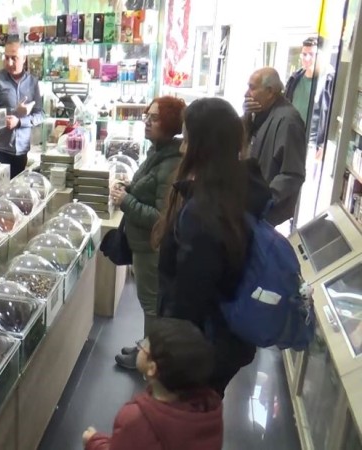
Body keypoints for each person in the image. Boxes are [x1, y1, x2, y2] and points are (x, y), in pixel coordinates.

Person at [154, 97, 273, 397]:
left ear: (202, 147)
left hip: (199, 348)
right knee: (205, 412)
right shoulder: (241, 190)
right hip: (228, 338)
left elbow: (190, 296)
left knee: (183, 417)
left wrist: (167, 354)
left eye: (187, 139)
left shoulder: (203, 213)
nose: (182, 148)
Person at [111, 96, 185, 370]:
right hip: (142, 244)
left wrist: (126, 201)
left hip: (151, 247)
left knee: (152, 305)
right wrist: (130, 187)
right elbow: (150, 189)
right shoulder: (158, 152)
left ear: (170, 124)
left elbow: (160, 217)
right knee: (148, 302)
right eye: (147, 116)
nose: (147, 122)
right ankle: (146, 345)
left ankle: (149, 358)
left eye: (154, 118)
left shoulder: (170, 162)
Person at [82, 318, 223, 450]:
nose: (140, 347)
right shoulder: (209, 411)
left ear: (152, 368)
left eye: (144, 345)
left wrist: (94, 442)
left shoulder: (136, 419)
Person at [243, 67, 307, 226]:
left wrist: (264, 199)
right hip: (250, 207)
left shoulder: (288, 121)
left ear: (270, 92)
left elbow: (293, 174)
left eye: (252, 88)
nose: (246, 94)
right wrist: (246, 116)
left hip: (265, 212)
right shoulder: (259, 114)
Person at [0, 37, 44, 178]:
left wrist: (20, 121)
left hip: (22, 150)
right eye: (6, 57)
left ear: (24, 59)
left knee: (18, 188)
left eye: (14, 58)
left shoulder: (32, 82)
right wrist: (12, 114)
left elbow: (40, 115)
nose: (9, 63)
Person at [285, 36, 335, 149]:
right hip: (290, 139)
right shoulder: (294, 79)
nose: (306, 58)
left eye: (312, 54)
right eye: (304, 54)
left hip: (312, 145)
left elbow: (332, 117)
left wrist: (323, 145)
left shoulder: (329, 82)